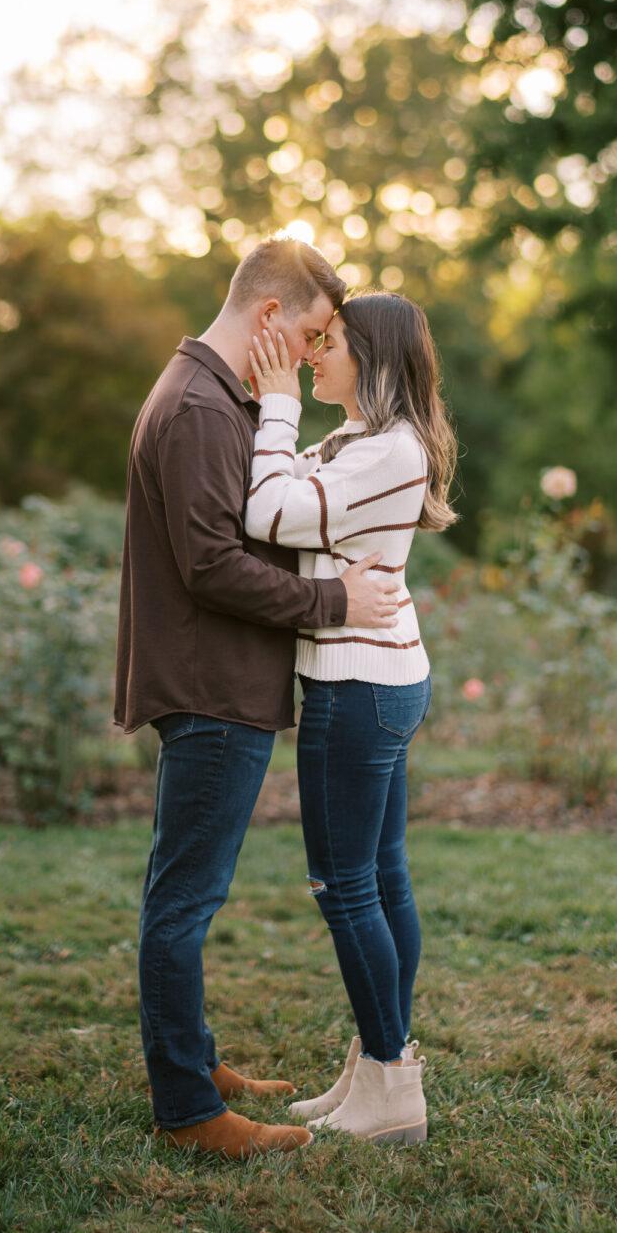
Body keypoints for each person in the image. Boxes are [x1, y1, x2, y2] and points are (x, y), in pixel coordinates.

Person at [113, 236, 403, 1160]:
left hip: (218, 678)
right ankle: (190, 1112)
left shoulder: (209, 392)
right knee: (185, 902)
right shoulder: (203, 405)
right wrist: (335, 599)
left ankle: (192, 1062)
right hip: (212, 686)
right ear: (271, 316)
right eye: (314, 330)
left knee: (185, 892)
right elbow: (211, 565)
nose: (317, 352)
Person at [244, 290, 458, 1146]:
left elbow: (266, 511)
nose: (310, 354)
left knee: (346, 886)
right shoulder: (363, 441)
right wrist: (293, 439)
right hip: (382, 678)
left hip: (356, 687)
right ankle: (378, 1067)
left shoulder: (384, 451)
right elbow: (291, 487)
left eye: (327, 343)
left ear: (370, 354)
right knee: (384, 877)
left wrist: (276, 406)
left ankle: (392, 1085)